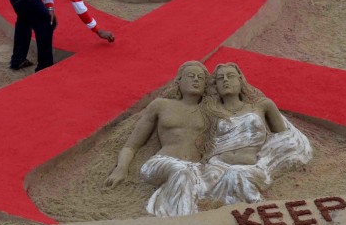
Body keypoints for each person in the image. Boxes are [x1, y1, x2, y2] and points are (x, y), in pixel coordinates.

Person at [103, 61, 210, 217]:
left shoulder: (211, 111)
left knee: (189, 174)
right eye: (190, 76)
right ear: (179, 81)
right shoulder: (161, 105)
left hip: (195, 168)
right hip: (161, 163)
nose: (196, 80)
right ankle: (180, 221)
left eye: (200, 78)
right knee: (181, 172)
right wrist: (121, 169)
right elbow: (131, 145)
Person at [200, 63, 313, 205]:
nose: (225, 80)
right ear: (215, 86)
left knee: (235, 175)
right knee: (205, 186)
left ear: (240, 80)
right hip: (216, 167)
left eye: (230, 76)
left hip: (251, 167)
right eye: (220, 78)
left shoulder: (262, 106)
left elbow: (285, 137)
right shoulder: (209, 112)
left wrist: (269, 158)